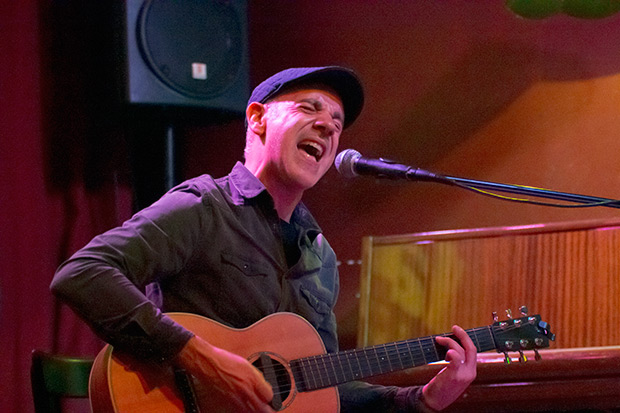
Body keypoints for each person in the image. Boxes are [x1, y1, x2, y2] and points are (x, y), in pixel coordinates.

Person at [51, 66, 476, 412]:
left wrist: (420, 399)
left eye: (337, 123)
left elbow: (322, 388)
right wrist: (201, 357)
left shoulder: (320, 256)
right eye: (311, 108)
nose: (328, 126)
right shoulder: (203, 207)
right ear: (257, 118)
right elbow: (82, 273)